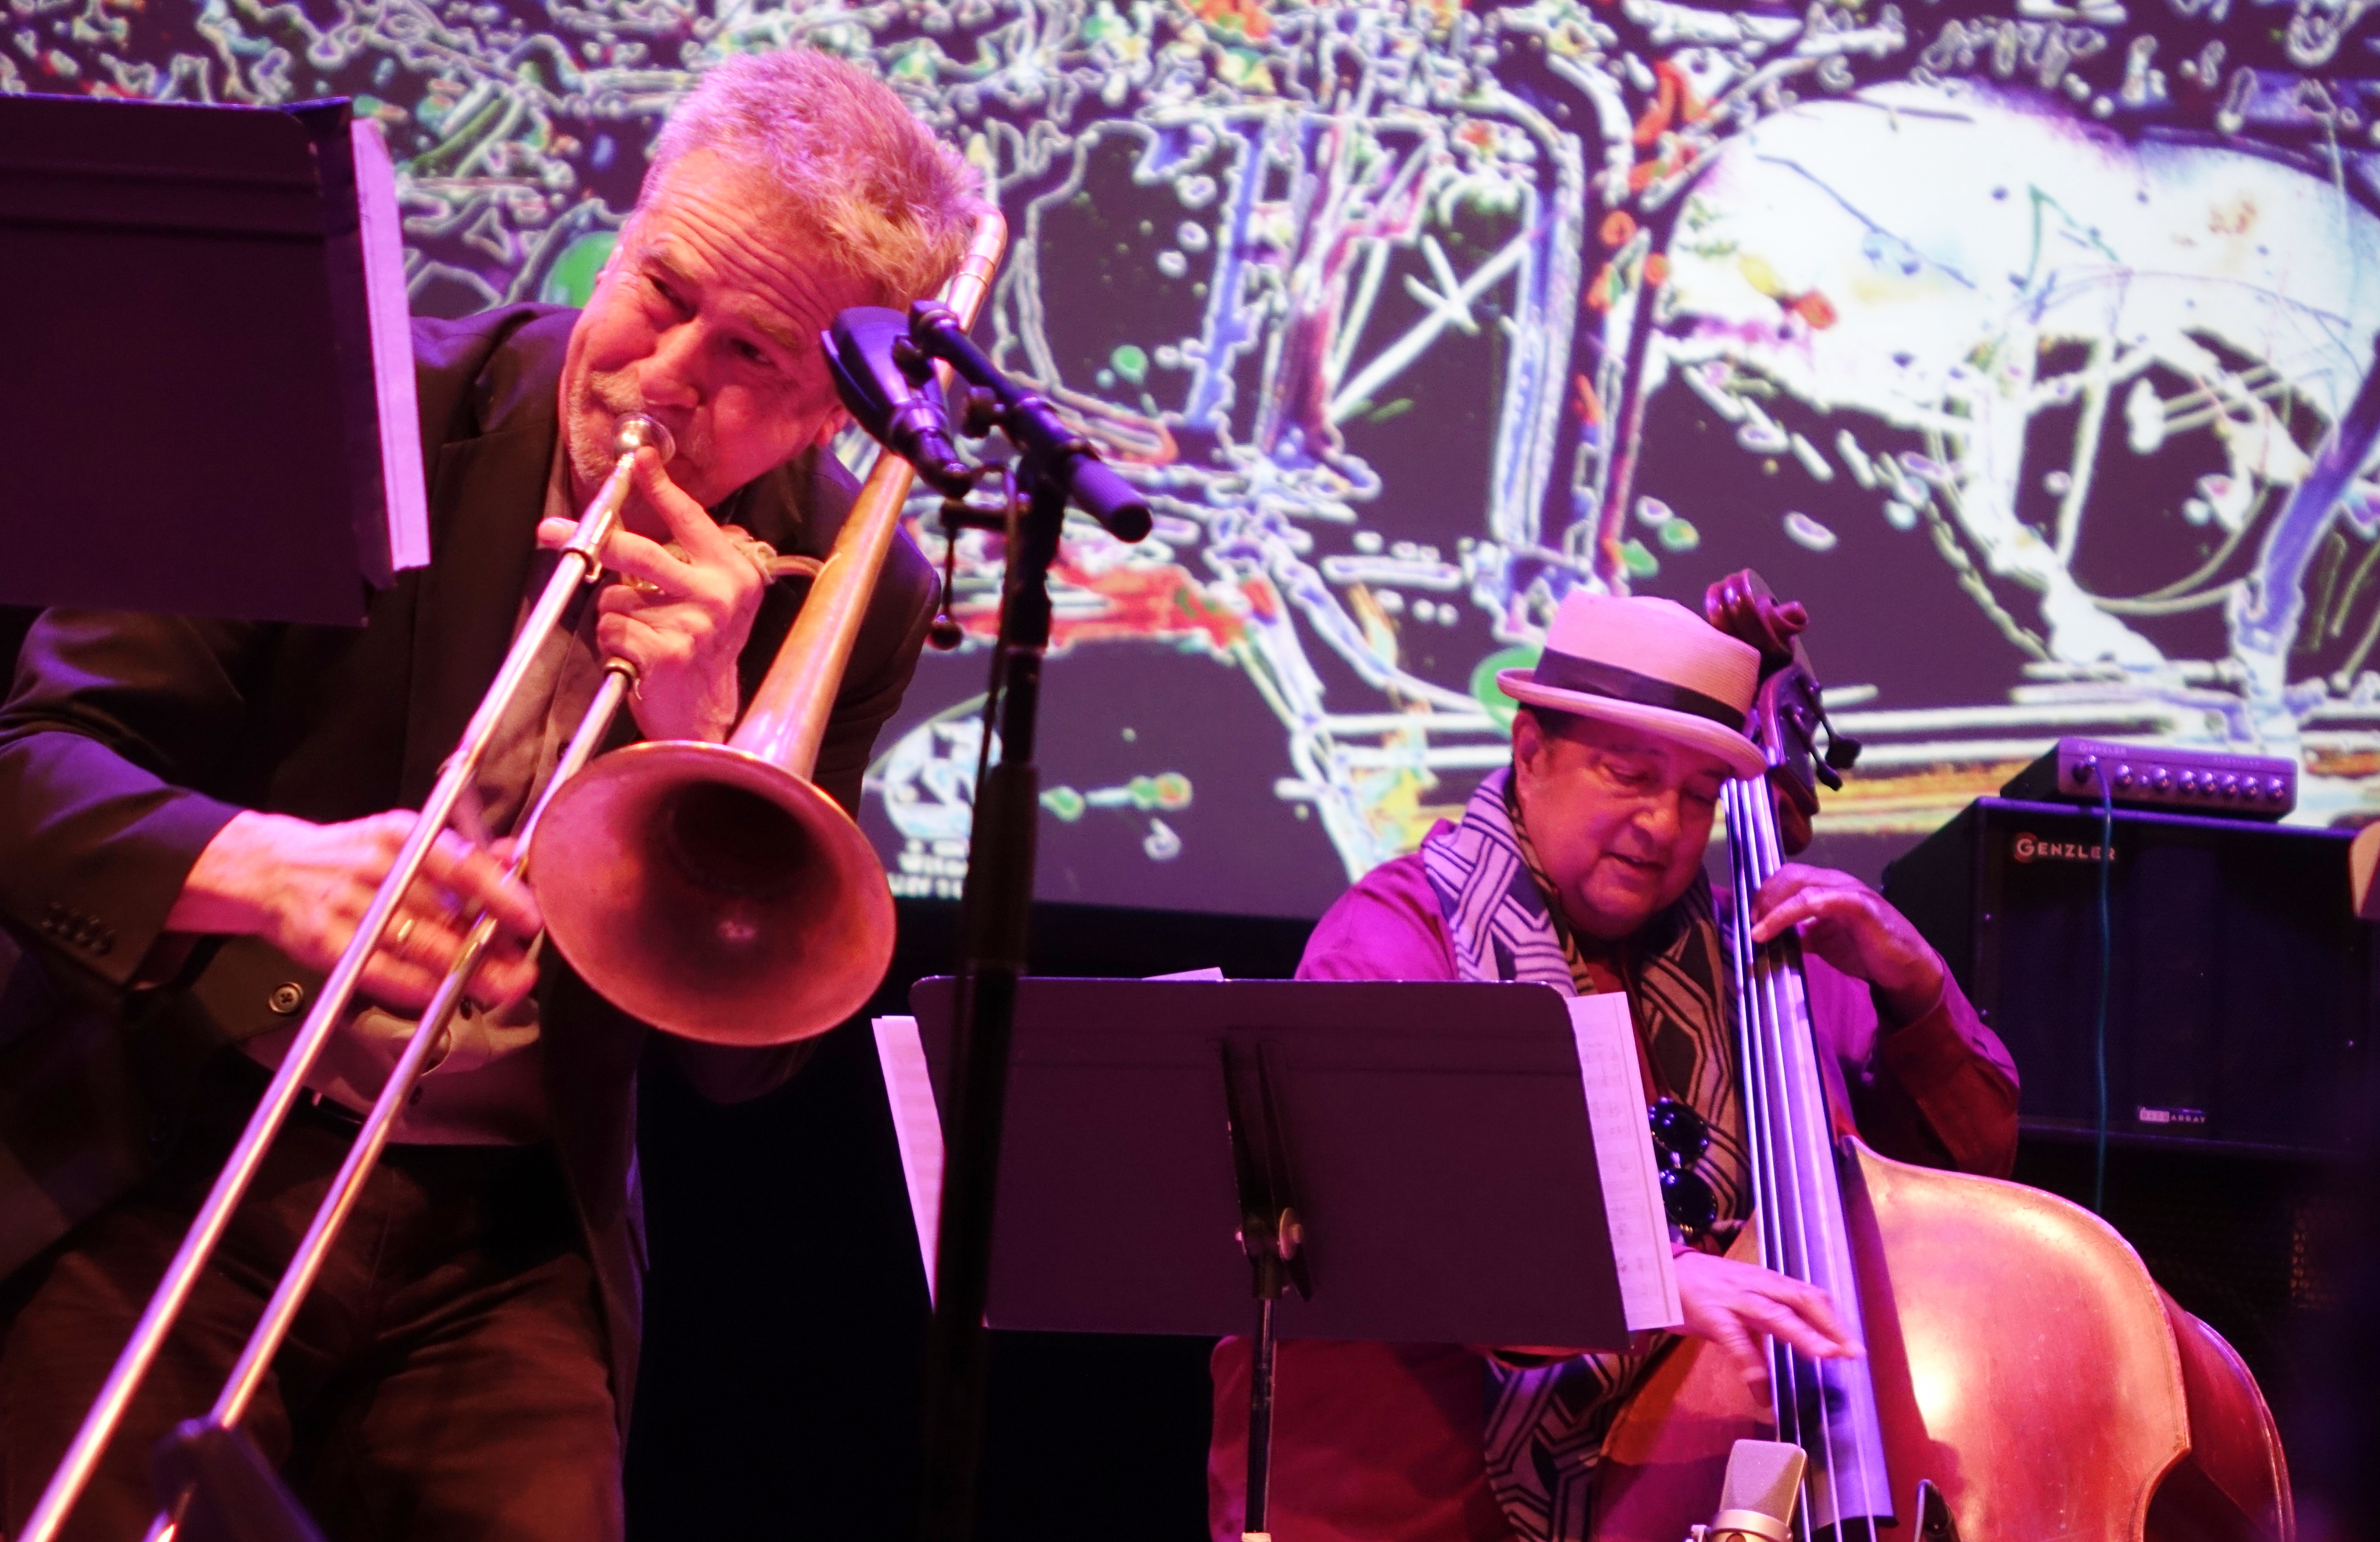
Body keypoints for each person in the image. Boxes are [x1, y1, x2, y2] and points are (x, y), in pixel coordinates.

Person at [0, 49, 978, 1541]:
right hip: (183, 1140)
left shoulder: (857, 585)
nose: (665, 376)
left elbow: (745, 1063)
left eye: (753, 358)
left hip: (505, 1236)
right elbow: (30, 765)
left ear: (831, 410)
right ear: (631, 225)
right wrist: (261, 868)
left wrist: (698, 744)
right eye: (661, 293)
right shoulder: (343, 400)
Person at [1208, 589, 2020, 1542]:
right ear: (1529, 751)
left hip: (1685, 1506)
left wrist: (1913, 985)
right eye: (1628, 774)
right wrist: (1644, 1279)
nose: (1664, 824)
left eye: (1697, 796)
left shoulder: (1755, 961)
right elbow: (1395, 1209)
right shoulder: (1398, 934)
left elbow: (1964, 1181)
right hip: (1401, 1512)